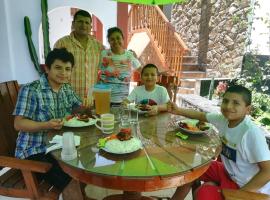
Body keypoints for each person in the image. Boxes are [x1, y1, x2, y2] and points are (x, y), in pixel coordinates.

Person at [168, 85, 270, 200]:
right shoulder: (223, 119)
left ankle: (213, 187)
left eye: (236, 103)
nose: (228, 106)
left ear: (248, 109)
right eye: (225, 101)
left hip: (249, 187)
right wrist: (178, 110)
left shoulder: (250, 133)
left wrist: (239, 195)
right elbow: (201, 115)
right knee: (191, 169)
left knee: (204, 193)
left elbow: (268, 171)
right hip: (228, 173)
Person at [13, 48, 89, 200]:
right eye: (58, 68)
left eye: (68, 69)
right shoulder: (31, 90)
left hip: (58, 146)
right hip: (35, 151)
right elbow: (19, 124)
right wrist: (46, 125)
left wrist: (90, 106)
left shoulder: (66, 88)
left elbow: (77, 107)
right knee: (71, 177)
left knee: (87, 165)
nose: (63, 73)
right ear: (47, 68)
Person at [54, 9, 103, 102]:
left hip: (90, 101)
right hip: (67, 100)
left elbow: (105, 68)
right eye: (80, 21)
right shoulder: (62, 44)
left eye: (86, 22)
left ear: (90, 26)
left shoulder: (99, 46)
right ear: (73, 24)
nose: (83, 25)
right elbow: (54, 71)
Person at [98, 27, 141, 105]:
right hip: (104, 98)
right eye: (112, 39)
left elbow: (141, 70)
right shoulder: (103, 54)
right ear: (109, 41)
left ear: (123, 39)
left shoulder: (129, 55)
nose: (116, 41)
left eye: (118, 38)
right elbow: (96, 70)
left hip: (122, 100)